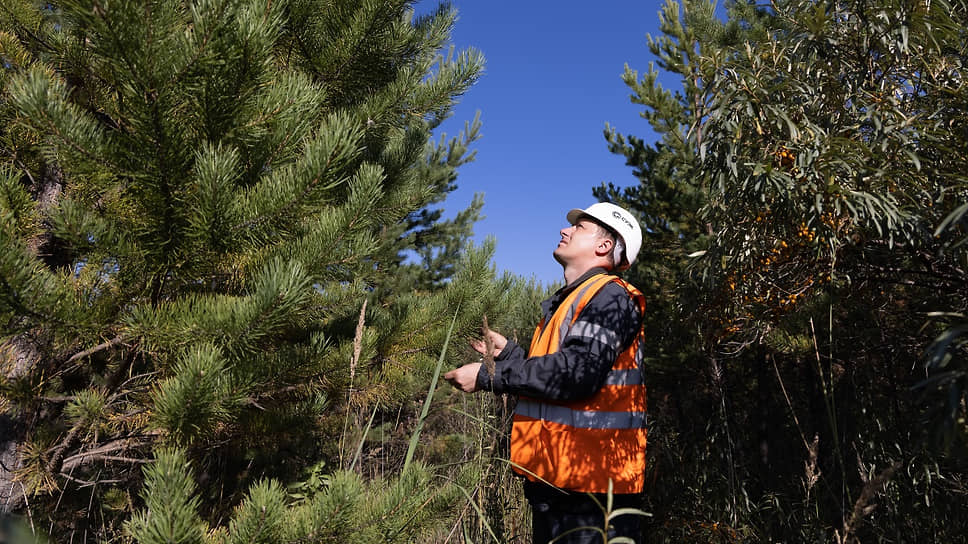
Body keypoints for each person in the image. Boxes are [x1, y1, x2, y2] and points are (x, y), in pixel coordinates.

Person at [444, 202, 648, 544]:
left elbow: (576, 374)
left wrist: (486, 376)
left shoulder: (609, 297)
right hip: (561, 486)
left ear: (604, 246)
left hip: (593, 496)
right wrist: (508, 354)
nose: (564, 230)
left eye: (579, 227)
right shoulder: (574, 299)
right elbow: (561, 371)